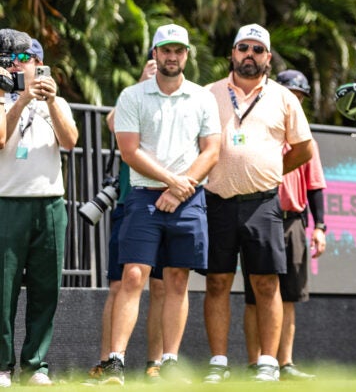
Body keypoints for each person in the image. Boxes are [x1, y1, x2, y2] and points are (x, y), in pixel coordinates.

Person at [103, 23, 221, 385]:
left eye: (178, 50)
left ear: (187, 55)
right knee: (133, 275)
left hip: (189, 198)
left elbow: (212, 151)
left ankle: (169, 361)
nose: (172, 56)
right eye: (166, 50)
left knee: (177, 279)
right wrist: (173, 182)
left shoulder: (202, 97)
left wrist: (180, 189)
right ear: (154, 53)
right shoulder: (132, 96)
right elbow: (129, 151)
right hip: (145, 196)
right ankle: (115, 361)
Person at [202, 25, 314, 383]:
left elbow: (304, 148)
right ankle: (218, 363)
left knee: (267, 284)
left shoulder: (283, 97)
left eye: (257, 49)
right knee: (217, 282)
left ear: (268, 58)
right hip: (217, 201)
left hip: (263, 203)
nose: (249, 54)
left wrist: (271, 169)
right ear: (232, 53)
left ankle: (268, 362)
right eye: (243, 48)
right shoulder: (208, 94)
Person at [0, 31, 79, 387]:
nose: (18, 66)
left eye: (25, 59)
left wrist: (49, 101)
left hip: (49, 202)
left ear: (39, 64)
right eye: (12, 60)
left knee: (46, 290)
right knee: (3, 290)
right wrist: (18, 99)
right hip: (7, 201)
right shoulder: (1, 98)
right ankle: (2, 365)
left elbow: (70, 141)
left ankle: (35, 365)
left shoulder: (55, 102)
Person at [240, 70, 326, 380]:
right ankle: (255, 363)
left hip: (292, 222)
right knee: (255, 295)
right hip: (259, 216)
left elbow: (314, 186)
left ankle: (284, 363)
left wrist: (320, 226)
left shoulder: (306, 141)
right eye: (290, 95)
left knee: (289, 296)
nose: (295, 102)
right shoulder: (260, 131)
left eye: (299, 97)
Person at [91, 60, 166, 383]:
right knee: (121, 284)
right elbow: (112, 123)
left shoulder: (182, 100)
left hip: (169, 201)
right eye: (158, 57)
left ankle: (155, 365)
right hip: (129, 201)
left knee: (162, 286)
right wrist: (140, 82)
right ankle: (107, 363)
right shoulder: (133, 98)